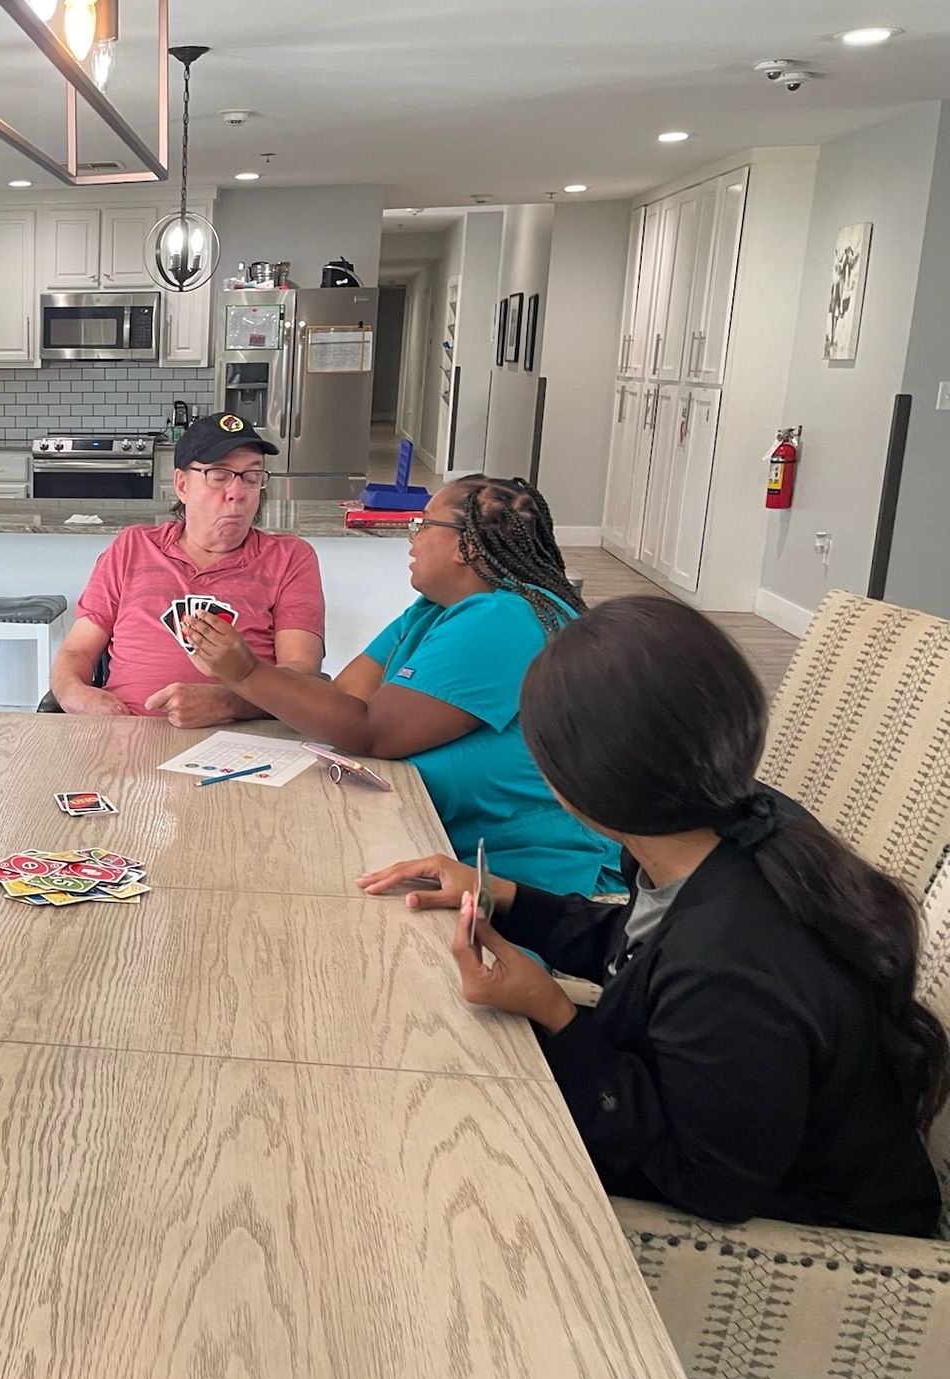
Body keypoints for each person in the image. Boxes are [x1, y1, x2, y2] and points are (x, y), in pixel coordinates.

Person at [361, 596, 946, 1234]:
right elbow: (643, 951)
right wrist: (507, 897)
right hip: (729, 1122)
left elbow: (709, 1183)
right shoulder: (720, 827)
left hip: (807, 1230)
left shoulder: (731, 965)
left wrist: (553, 1012)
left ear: (577, 785)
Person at [185, 474, 617, 896]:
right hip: (439, 839)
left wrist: (246, 673)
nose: (413, 537)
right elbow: (344, 696)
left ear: (465, 545)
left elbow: (375, 732)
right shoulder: (432, 609)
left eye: (424, 524)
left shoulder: (505, 618)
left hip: (520, 868)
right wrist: (246, 678)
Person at [49, 411, 326, 728]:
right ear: (182, 484)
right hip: (125, 735)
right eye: (219, 475)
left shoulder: (291, 558)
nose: (238, 493)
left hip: (241, 744)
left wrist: (227, 703)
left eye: (251, 477)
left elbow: (302, 673)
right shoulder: (131, 547)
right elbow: (76, 651)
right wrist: (75, 694)